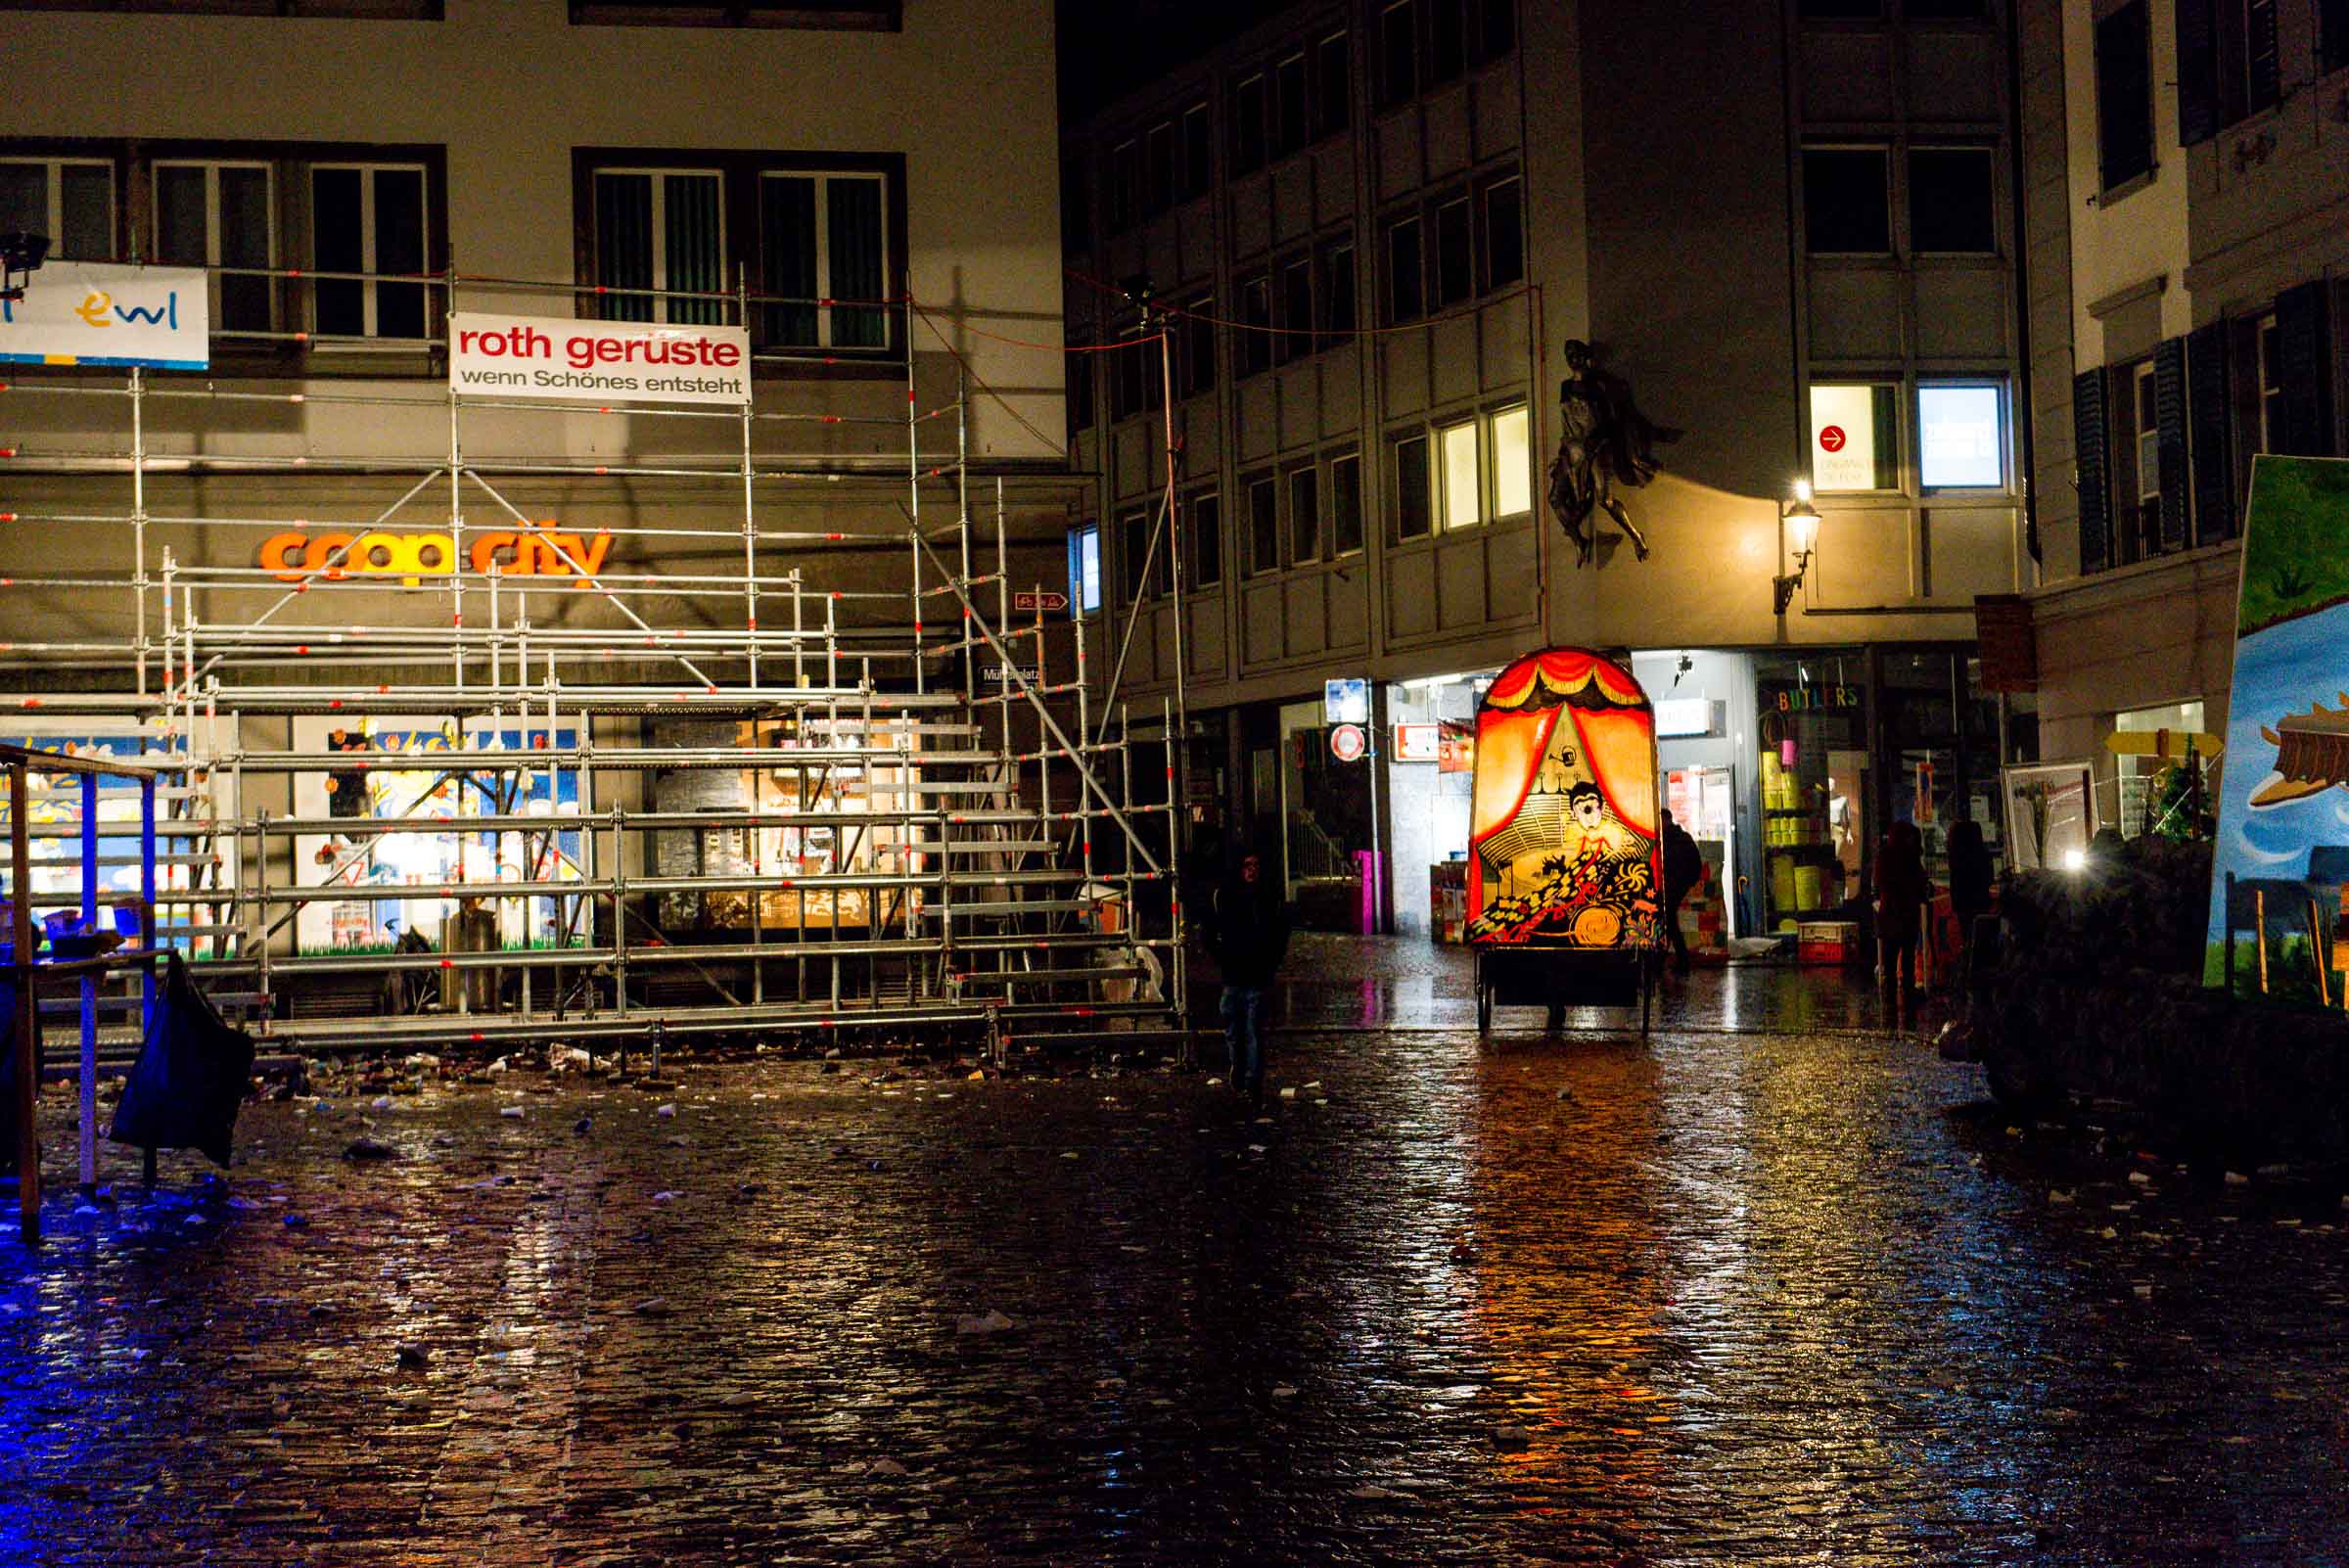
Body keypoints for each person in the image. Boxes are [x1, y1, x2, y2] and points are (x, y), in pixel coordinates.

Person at [1207, 847, 1289, 1104]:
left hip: (1256, 973)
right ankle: (1241, 1070)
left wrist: (1271, 961)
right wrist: (1223, 957)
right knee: (1235, 1028)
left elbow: (1281, 932)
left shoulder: (1268, 896)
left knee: (1251, 1029)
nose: (1251, 870)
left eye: (1255, 865)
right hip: (1234, 973)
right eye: (1247, 865)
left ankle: (1251, 1080)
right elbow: (1209, 933)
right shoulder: (1226, 896)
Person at [1874, 821, 1930, 1030]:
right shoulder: (1911, 857)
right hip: (1908, 915)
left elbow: (1879, 882)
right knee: (1906, 959)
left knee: (1889, 963)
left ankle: (1888, 1007)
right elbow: (1920, 883)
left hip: (1889, 915)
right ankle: (1908, 1006)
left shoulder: (1884, 856)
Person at [1945, 818, 1995, 978]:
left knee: (1968, 936)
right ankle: (1980, 971)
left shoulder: (1956, 858)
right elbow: (1989, 879)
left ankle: (1970, 971)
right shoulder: (1983, 855)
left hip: (1963, 903)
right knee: (1982, 938)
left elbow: (1955, 883)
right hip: (1981, 901)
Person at [1659, 807, 1704, 974]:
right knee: (1669, 920)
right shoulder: (1683, 838)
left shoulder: (1668, 840)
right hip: (1678, 885)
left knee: (1668, 920)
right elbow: (1696, 864)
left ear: (1664, 820)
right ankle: (1670, 960)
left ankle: (1676, 960)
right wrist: (1689, 882)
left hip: (1672, 885)